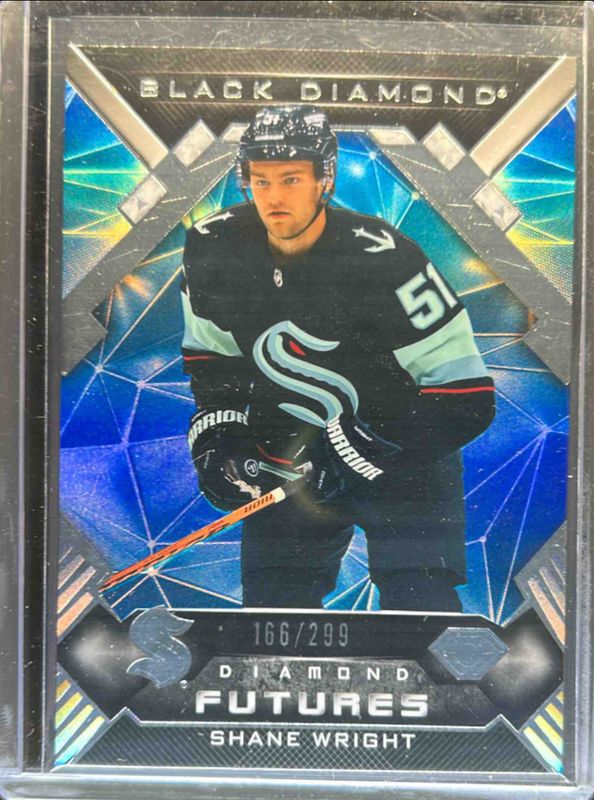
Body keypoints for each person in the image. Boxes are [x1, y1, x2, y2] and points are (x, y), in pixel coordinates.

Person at [181, 105, 495, 612]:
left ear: (324, 178)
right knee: (272, 613)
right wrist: (223, 439)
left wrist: (360, 450)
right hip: (287, 458)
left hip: (405, 457)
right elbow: (213, 361)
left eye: (291, 179)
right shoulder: (212, 248)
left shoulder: (388, 259)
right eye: (261, 181)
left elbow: (466, 396)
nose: (274, 198)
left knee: (421, 608)